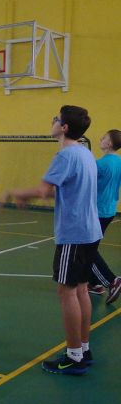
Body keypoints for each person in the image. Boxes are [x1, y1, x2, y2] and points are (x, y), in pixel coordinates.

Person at [3, 106, 101, 375]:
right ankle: (83, 349)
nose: (53, 121)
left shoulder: (65, 155)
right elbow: (62, 190)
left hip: (74, 233)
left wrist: (17, 193)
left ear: (64, 128)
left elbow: (43, 190)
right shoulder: (85, 152)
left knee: (67, 292)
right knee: (81, 290)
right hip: (90, 231)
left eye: (56, 119)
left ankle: (74, 357)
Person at [86, 129, 121, 304]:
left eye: (104, 137)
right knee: (91, 247)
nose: (101, 139)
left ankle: (112, 281)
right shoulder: (119, 161)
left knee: (87, 250)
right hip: (109, 210)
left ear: (110, 143)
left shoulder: (100, 164)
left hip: (97, 211)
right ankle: (94, 283)